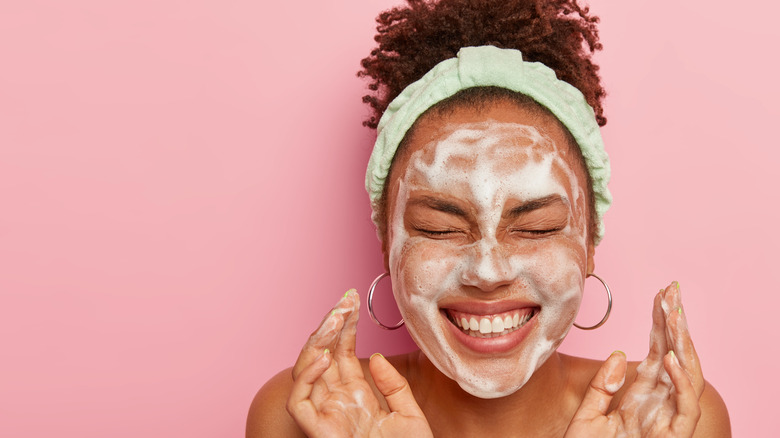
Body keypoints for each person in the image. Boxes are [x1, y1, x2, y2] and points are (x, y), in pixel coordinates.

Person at [247, 0, 731, 436]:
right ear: (388, 242)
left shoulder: (668, 418)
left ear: (588, 245)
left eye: (536, 228)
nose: (488, 271)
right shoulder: (307, 415)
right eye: (440, 228)